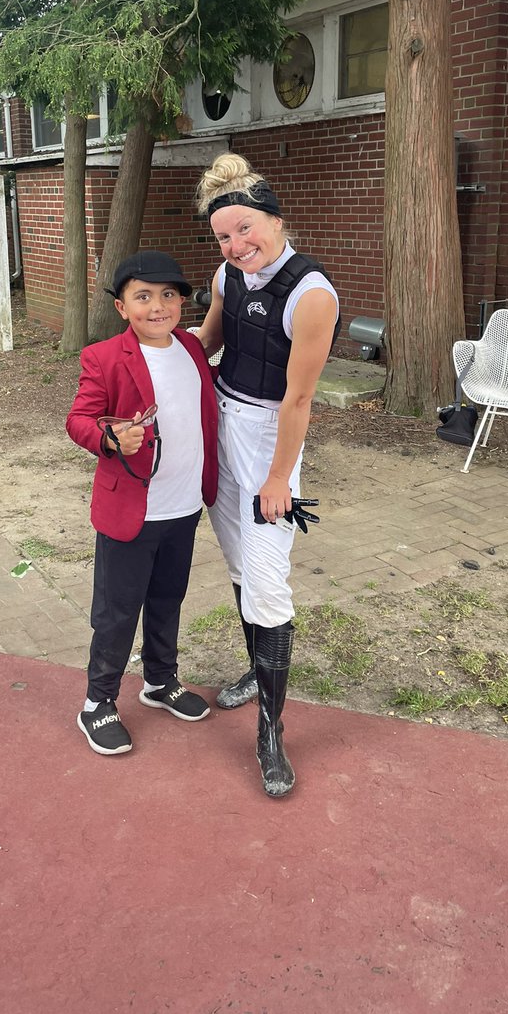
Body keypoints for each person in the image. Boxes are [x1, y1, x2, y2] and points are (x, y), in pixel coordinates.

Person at [193, 153, 339, 797]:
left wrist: (280, 478)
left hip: (267, 438)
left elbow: (299, 400)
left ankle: (271, 731)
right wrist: (142, 349)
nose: (236, 244)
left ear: (276, 220)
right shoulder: (228, 272)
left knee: (269, 577)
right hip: (220, 423)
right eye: (224, 235)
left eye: (246, 228)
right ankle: (257, 668)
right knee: (235, 562)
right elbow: (209, 343)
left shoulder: (311, 293)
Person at [66, 250, 218, 756]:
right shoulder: (104, 356)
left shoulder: (192, 349)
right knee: (116, 610)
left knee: (167, 598)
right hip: (132, 510)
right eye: (144, 296)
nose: (158, 306)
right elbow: (80, 421)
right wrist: (112, 440)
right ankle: (98, 703)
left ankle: (160, 680)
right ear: (122, 306)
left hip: (183, 505)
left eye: (168, 295)